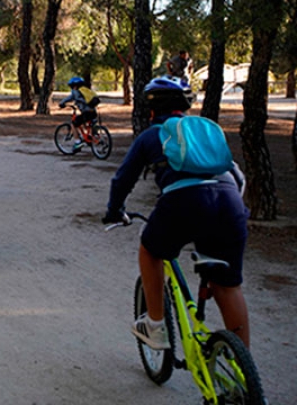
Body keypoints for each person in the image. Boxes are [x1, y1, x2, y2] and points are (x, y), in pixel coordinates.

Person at [102, 77, 251, 349]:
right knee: (228, 286)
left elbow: (122, 180)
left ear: (150, 110)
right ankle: (243, 371)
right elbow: (238, 178)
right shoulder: (205, 131)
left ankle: (156, 326)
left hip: (183, 202)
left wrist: (114, 211)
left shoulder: (152, 135)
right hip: (230, 202)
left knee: (150, 250)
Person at [58, 76, 97, 151]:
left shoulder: (75, 91)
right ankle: (90, 136)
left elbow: (69, 98)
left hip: (86, 113)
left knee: (73, 124)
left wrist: (62, 103)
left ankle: (77, 142)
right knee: (86, 123)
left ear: (74, 85)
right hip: (93, 112)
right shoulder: (86, 90)